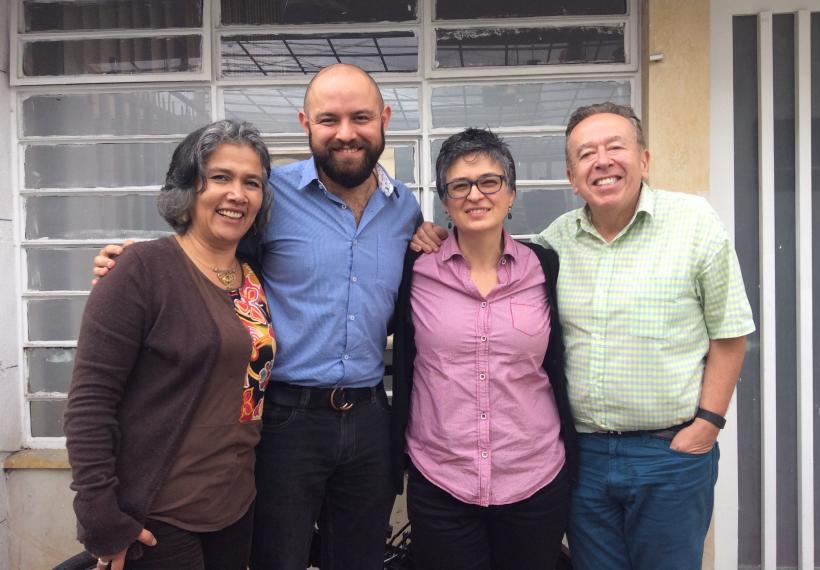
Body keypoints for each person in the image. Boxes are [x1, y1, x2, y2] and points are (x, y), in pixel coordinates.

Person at [92, 64, 422, 570]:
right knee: (277, 558)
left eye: (361, 117)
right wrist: (137, 262)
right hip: (285, 418)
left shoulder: (406, 210)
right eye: (328, 119)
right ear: (304, 122)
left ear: (385, 118)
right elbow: (205, 252)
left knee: (360, 558)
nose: (346, 133)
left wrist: (444, 239)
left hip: (370, 415)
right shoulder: (269, 195)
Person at [410, 102, 755, 570]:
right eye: (586, 154)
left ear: (645, 159)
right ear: (572, 178)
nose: (603, 161)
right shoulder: (555, 245)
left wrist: (708, 423)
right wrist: (425, 235)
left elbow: (730, 332)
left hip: (666, 453)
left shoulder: (692, 223)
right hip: (586, 458)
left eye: (615, 147)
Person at [65, 119, 276, 570]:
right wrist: (101, 519)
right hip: (159, 519)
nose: (237, 194)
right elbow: (89, 404)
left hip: (234, 509)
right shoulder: (140, 269)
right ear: (187, 186)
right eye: (220, 177)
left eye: (251, 182)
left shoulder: (251, 278)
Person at [390, 128, 577, 570]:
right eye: (459, 185)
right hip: (441, 479)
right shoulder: (414, 269)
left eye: (489, 182)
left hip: (534, 478)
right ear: (445, 199)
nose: (475, 195)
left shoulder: (544, 267)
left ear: (511, 194)